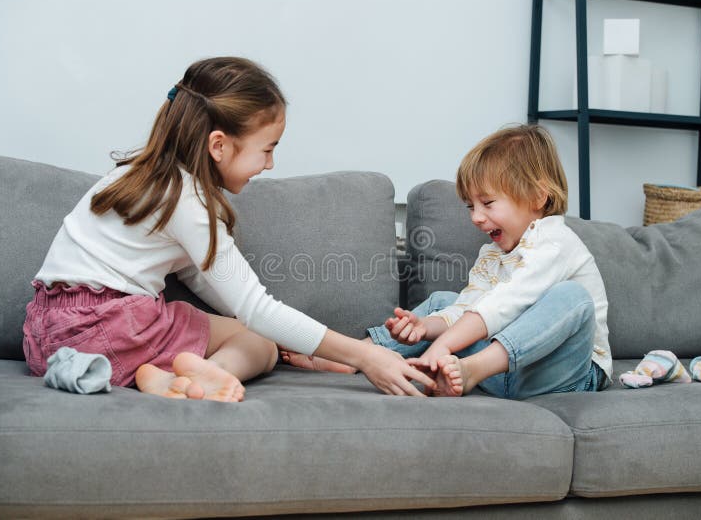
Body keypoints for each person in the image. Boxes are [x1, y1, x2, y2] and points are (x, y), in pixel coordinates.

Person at [22, 57, 435, 402]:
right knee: (258, 343)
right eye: (268, 149)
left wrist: (318, 350)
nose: (270, 164)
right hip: (110, 328)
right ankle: (206, 376)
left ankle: (159, 376)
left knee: (231, 325)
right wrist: (364, 357)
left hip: (45, 333)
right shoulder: (189, 202)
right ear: (218, 145)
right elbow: (255, 308)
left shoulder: (132, 175)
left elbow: (206, 282)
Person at [366, 124, 613, 398]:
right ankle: (362, 354)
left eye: (488, 203)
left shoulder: (555, 242)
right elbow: (468, 308)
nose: (476, 217)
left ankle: (471, 369)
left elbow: (503, 305)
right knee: (443, 303)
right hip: (505, 373)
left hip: (566, 374)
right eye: (471, 206)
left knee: (573, 297)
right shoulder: (493, 255)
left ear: (538, 197)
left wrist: (443, 344)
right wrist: (426, 329)